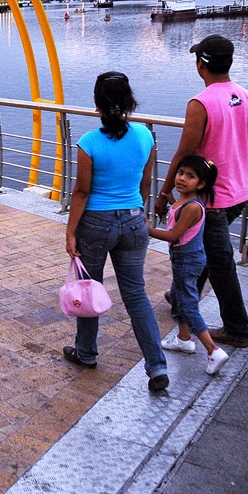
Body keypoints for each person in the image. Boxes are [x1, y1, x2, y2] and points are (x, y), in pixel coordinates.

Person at [63, 72, 169, 392]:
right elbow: (146, 182)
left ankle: (86, 352)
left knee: (89, 288)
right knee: (136, 295)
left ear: (97, 104)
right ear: (129, 101)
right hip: (134, 221)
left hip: (95, 224)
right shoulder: (145, 136)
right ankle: (157, 365)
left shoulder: (89, 143)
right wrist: (138, 210)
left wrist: (70, 232)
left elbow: (82, 191)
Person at [157, 34, 248, 350]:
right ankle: (180, 298)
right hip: (238, 194)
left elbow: (184, 154)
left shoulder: (200, 103)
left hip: (211, 199)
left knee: (219, 263)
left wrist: (164, 192)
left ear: (200, 64)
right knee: (201, 247)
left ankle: (237, 330)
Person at [147, 155, 229, 375]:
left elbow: (173, 235)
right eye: (180, 173)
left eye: (190, 176)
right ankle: (184, 339)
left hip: (187, 259)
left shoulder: (193, 207)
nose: (182, 178)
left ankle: (213, 350)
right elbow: (177, 221)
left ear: (201, 184)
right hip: (185, 258)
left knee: (188, 305)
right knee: (177, 297)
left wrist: (146, 229)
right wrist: (171, 201)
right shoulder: (184, 201)